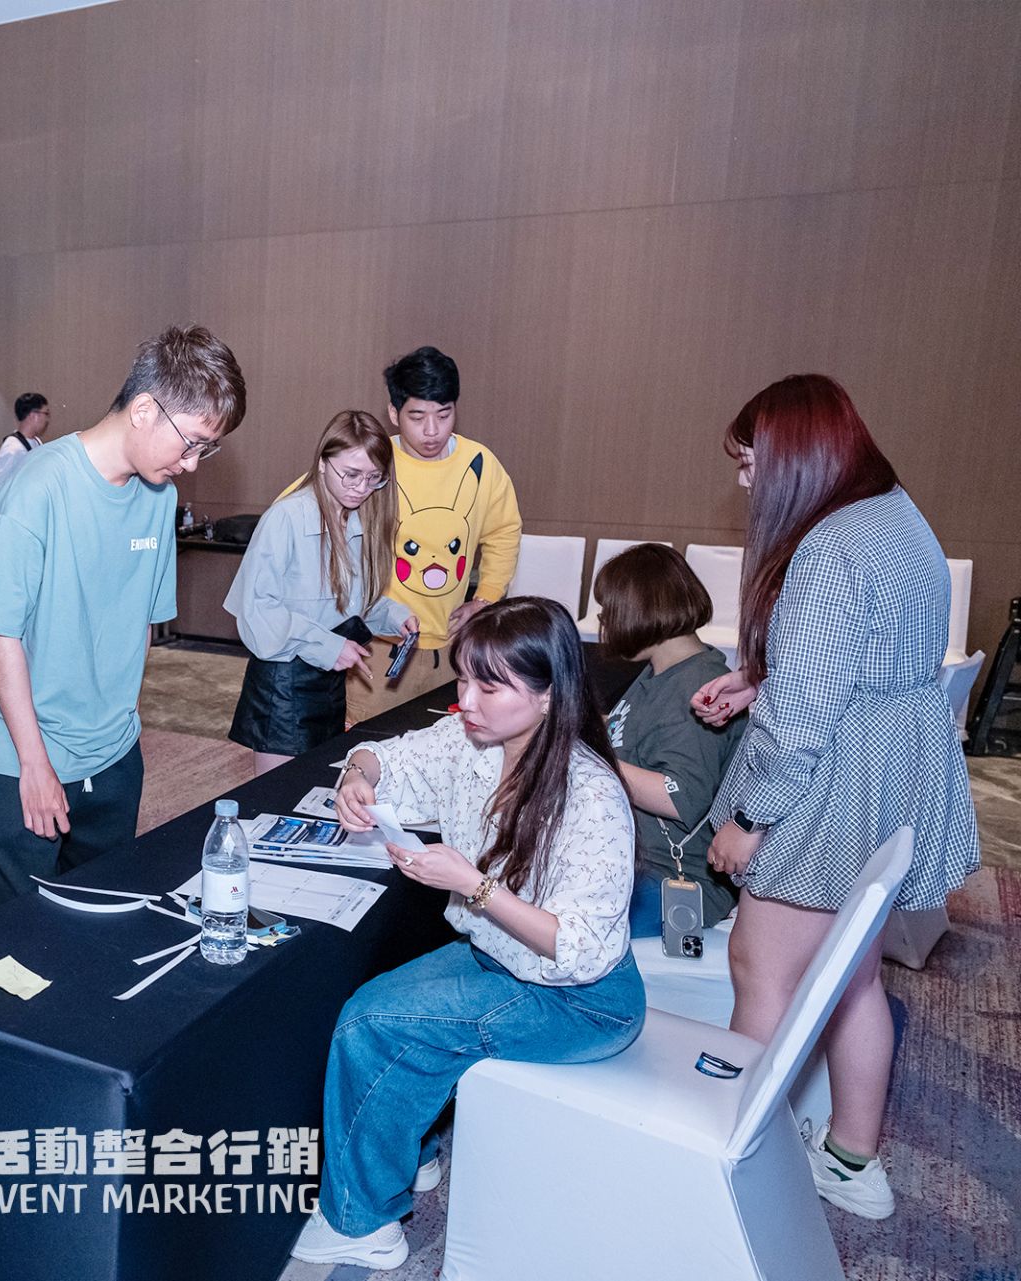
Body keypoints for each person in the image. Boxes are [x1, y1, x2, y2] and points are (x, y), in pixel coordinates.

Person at [692, 374, 978, 1220]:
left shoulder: (825, 549)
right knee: (853, 974)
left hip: (834, 780)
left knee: (761, 968)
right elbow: (867, 656)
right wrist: (762, 678)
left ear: (794, 457)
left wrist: (748, 819)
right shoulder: (894, 512)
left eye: (751, 461)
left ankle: (730, 1160)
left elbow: (800, 729)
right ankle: (851, 1157)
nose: (745, 479)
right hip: (892, 767)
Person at [296, 598, 643, 1271]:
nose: (469, 702)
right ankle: (408, 1154)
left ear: (548, 696)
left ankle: (363, 1222)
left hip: (580, 999)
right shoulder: (475, 743)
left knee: (374, 1022)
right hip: (502, 960)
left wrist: (474, 884)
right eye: (464, 680)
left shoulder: (590, 794)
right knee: (381, 1006)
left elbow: (579, 947)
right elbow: (385, 755)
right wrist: (357, 777)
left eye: (490, 686)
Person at [0, 325, 246, 912]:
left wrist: (119, 731)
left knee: (101, 925)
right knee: (21, 938)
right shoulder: (37, 486)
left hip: (112, 755)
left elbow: (139, 625)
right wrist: (34, 764)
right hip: (21, 755)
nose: (192, 464)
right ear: (143, 410)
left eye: (206, 449)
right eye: (191, 443)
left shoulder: (159, 497)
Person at [224, 410, 417, 775]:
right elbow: (256, 612)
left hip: (329, 680)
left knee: (317, 787)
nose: (361, 488)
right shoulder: (286, 518)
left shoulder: (359, 517)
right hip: (284, 681)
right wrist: (327, 646)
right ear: (324, 463)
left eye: (374, 478)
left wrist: (394, 615)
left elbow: (352, 602)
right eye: (352, 474)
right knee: (278, 794)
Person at [345, 345, 521, 723]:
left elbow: (504, 531)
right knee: (368, 744)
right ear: (394, 413)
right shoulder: (373, 460)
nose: (432, 431)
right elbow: (311, 515)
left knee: (445, 745)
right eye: (417, 416)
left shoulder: (480, 463)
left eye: (444, 414)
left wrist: (486, 599)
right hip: (380, 647)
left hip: (452, 647)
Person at [591, 543, 743, 935]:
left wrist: (588, 753)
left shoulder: (695, 687)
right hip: (632, 862)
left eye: (609, 610)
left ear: (638, 610)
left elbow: (679, 797)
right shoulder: (664, 670)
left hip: (671, 881)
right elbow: (633, 732)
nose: (603, 620)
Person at [0, 392, 50, 485]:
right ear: (33, 415)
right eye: (46, 413)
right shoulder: (13, 448)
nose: (47, 419)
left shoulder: (36, 441)